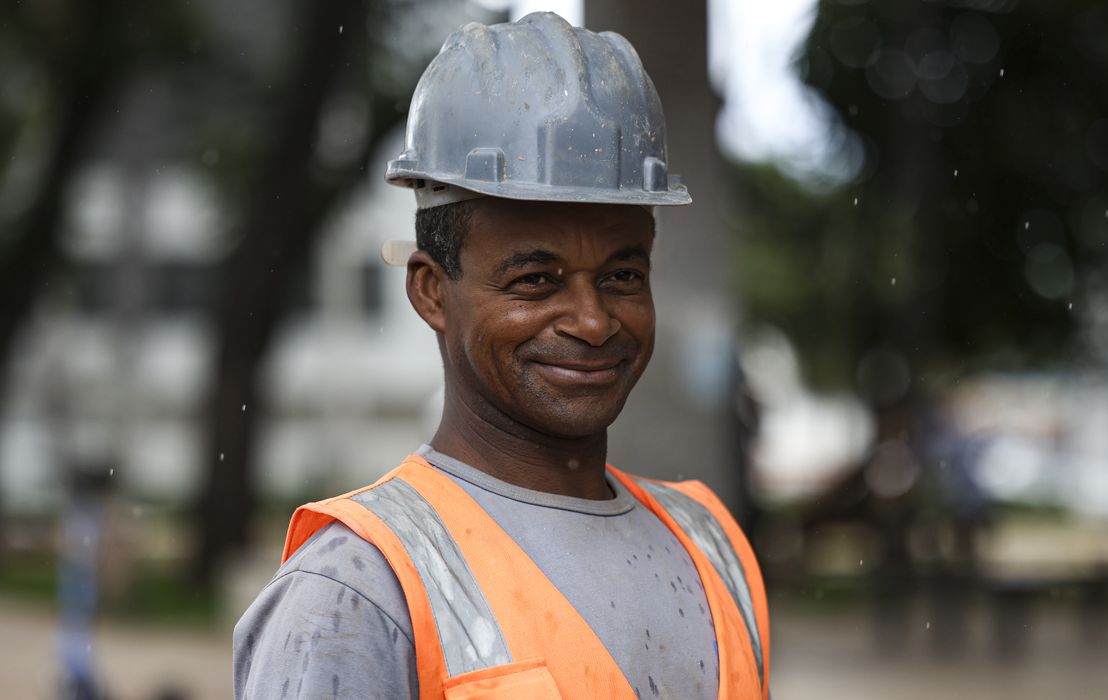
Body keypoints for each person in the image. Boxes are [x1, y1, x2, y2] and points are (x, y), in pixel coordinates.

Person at [234, 12, 770, 699]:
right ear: (432, 292)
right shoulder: (357, 593)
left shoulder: (712, 551)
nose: (592, 320)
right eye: (535, 281)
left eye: (621, 276)